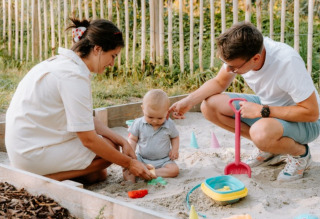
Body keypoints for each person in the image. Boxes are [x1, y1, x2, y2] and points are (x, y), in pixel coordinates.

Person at [5, 18, 156, 184]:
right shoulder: (73, 76)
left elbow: (84, 119)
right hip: (30, 153)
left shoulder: (63, 64)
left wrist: (121, 140)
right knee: (109, 150)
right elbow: (88, 139)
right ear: (97, 49)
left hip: (25, 147)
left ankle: (49, 174)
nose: (112, 63)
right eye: (112, 56)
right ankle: (42, 179)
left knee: (98, 175)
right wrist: (129, 163)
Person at [169, 21, 320, 182]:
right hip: (269, 109)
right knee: (209, 106)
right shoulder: (245, 52)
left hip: (305, 122)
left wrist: (262, 111)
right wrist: (189, 101)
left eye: (234, 67)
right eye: (225, 64)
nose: (228, 70)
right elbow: (220, 83)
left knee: (260, 132)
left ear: (256, 58)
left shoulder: (287, 62)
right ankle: (269, 148)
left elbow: (311, 113)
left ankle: (300, 154)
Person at [123, 89, 180, 183]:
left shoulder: (169, 124)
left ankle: (152, 173)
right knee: (128, 170)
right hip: (142, 159)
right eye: (150, 117)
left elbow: (175, 137)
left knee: (174, 170)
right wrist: (131, 154)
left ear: (167, 112)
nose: (155, 121)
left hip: (163, 160)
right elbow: (132, 139)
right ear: (143, 109)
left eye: (160, 118)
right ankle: (131, 182)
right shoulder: (138, 123)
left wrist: (175, 149)